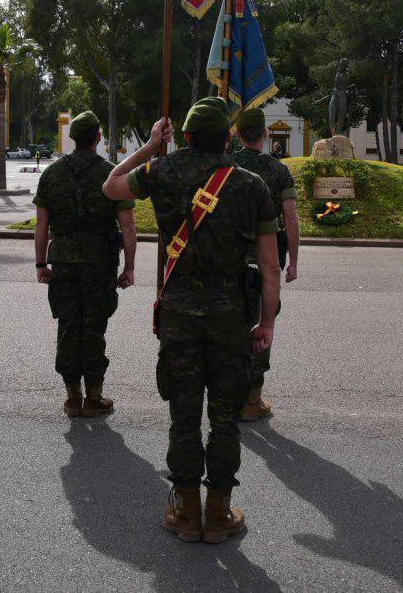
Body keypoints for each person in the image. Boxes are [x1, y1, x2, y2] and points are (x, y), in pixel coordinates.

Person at [103, 99, 280, 545]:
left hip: (179, 316)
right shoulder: (251, 185)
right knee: (225, 418)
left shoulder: (161, 172)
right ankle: (218, 513)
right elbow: (270, 267)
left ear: (184, 136)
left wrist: (149, 147)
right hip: (230, 319)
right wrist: (267, 324)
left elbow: (111, 185)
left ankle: (186, 511)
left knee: (183, 416)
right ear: (227, 138)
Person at [33, 110, 137, 417]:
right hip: (99, 262)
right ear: (98, 138)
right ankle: (94, 397)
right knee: (94, 326)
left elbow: (41, 224)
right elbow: (128, 227)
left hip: (63, 261)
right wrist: (129, 268)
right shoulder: (112, 174)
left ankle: (72, 397)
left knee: (68, 325)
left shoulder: (51, 174)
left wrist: (40, 264)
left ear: (73, 139)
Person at [230, 107, 300, 422]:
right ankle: (252, 399)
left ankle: (229, 394)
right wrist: (294, 262)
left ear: (237, 134)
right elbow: (291, 218)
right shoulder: (278, 171)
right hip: (266, 261)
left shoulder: (226, 167)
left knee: (231, 323)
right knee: (263, 321)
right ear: (266, 134)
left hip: (228, 259)